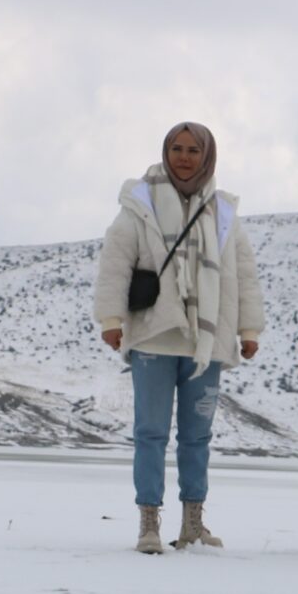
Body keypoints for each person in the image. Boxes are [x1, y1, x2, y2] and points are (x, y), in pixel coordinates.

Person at [91, 122, 264, 554]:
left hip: (204, 342)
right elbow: (116, 262)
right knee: (150, 432)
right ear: (165, 152)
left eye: (193, 150)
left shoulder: (223, 211)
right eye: (176, 148)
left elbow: (242, 274)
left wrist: (248, 328)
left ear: (207, 157)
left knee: (197, 436)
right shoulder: (139, 202)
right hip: (154, 334)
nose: (184, 157)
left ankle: (192, 524)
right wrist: (111, 317)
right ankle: (148, 523)